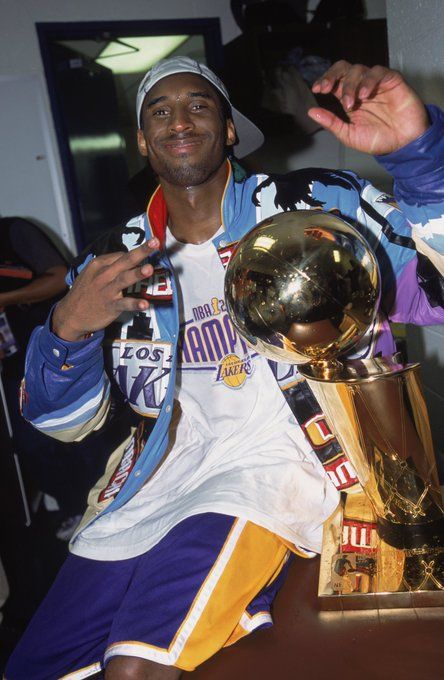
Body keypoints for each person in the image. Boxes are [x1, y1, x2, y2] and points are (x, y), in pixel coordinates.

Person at [6, 56, 444, 679]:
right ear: (142, 139)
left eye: (198, 105)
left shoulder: (318, 205)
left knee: (137, 665)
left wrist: (421, 155)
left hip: (284, 464)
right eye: (159, 110)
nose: (179, 120)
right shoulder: (114, 261)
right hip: (156, 482)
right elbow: (62, 421)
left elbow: (436, 288)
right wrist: (66, 330)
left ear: (231, 128)